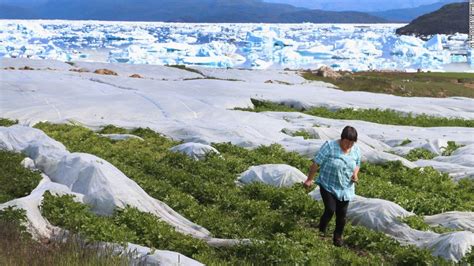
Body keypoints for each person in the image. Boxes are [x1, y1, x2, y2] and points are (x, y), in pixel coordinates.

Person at [303, 126, 361, 247]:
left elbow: (357, 164)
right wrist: (309, 179)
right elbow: (316, 163)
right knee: (330, 209)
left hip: (345, 187)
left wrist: (355, 174)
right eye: (347, 142)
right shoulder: (330, 146)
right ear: (341, 138)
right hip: (328, 183)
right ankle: (321, 231)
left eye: (352, 142)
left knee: (342, 214)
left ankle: (337, 237)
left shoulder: (356, 150)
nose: (349, 145)